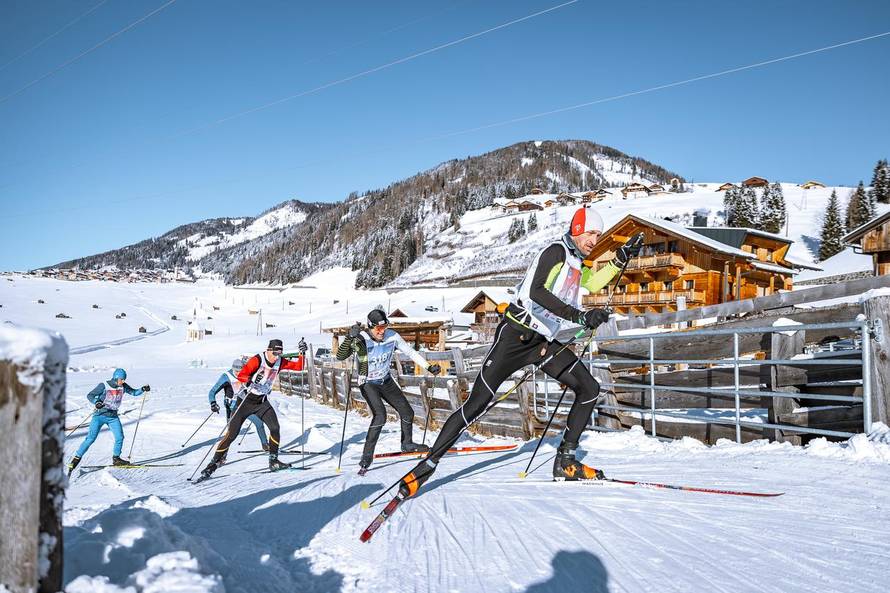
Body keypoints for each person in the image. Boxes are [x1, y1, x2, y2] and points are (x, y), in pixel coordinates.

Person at [399, 206, 642, 497]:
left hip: (543, 343)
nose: (594, 240)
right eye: (590, 233)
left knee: (589, 388)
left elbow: (593, 283)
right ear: (577, 230)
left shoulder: (577, 263)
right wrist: (579, 317)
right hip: (515, 337)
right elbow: (536, 292)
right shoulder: (555, 252)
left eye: (598, 235)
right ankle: (426, 466)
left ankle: (566, 462)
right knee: (477, 403)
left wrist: (620, 258)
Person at [337, 308, 442, 473]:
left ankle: (407, 444)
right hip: (368, 383)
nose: (382, 331)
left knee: (407, 412)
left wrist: (428, 367)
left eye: (384, 327)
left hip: (386, 381)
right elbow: (340, 356)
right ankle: (367, 455)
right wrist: (349, 337)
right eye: (378, 328)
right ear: (370, 327)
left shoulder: (392, 336)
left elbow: (410, 352)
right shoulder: (361, 339)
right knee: (380, 416)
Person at [199, 339, 306, 479]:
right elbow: (242, 375)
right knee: (231, 435)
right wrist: (250, 381)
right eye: (275, 353)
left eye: (279, 353)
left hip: (261, 402)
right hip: (245, 402)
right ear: (268, 350)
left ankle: (273, 462)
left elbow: (299, 366)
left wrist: (302, 353)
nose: (276, 356)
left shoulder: (280, 361)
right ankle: (212, 465)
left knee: (275, 428)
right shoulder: (257, 360)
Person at [67, 368, 150, 473]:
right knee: (91, 438)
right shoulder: (104, 385)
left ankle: (116, 459)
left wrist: (142, 389)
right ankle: (76, 458)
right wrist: (97, 402)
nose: (123, 381)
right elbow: (90, 395)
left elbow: (134, 392)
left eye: (124, 379)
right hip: (99, 416)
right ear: (116, 378)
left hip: (113, 417)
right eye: (121, 379)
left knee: (119, 437)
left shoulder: (123, 386)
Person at [207, 363, 269, 455]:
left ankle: (265, 445)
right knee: (231, 433)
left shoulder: (247, 374)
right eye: (236, 371)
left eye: (241, 371)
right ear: (233, 369)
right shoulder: (226, 377)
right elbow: (212, 392)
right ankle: (222, 455)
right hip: (233, 407)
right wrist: (213, 403)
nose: (239, 373)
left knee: (259, 422)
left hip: (245, 405)